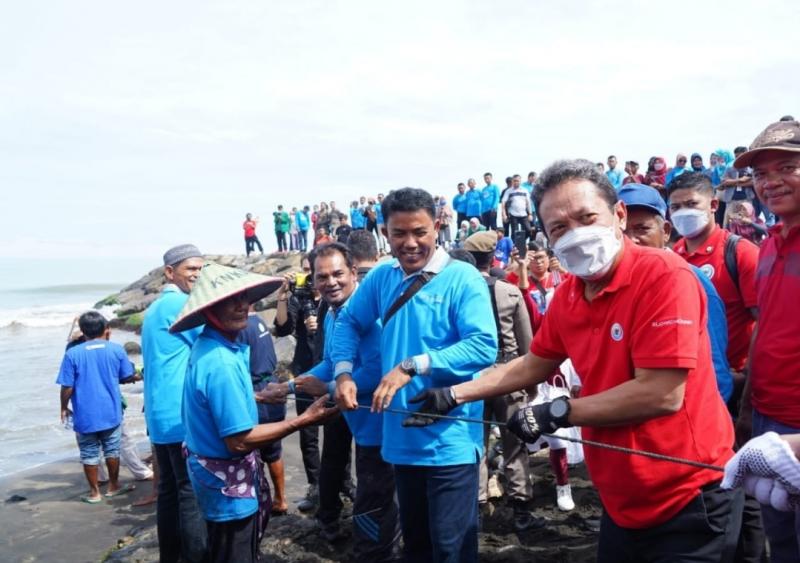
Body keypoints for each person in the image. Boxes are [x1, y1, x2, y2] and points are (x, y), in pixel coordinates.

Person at [407, 159, 740, 563]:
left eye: (586, 218)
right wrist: (453, 394)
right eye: (559, 228)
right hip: (620, 502)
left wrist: (558, 412)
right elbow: (535, 363)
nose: (576, 235)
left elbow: (661, 393)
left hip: (688, 497)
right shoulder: (570, 294)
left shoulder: (665, 277)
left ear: (618, 215)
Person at [331, 187, 497, 562]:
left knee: (452, 550)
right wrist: (343, 373)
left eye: (419, 232)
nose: (410, 243)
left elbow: (483, 346)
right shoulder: (381, 278)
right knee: (416, 548)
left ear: (437, 227)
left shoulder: (462, 279)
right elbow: (347, 323)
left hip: (449, 443)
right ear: (384, 234)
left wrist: (412, 365)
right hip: (399, 442)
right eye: (399, 234)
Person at [172, 262, 337, 563]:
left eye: (243, 297)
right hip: (227, 489)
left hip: (214, 480)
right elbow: (239, 441)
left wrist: (257, 394)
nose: (241, 306)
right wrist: (304, 420)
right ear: (209, 309)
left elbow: (213, 402)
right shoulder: (220, 362)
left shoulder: (213, 345)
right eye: (228, 301)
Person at [292, 241, 402, 560]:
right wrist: (289, 386)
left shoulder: (370, 313)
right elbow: (330, 362)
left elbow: (379, 369)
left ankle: (378, 555)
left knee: (375, 506)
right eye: (322, 277)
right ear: (313, 280)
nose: (331, 282)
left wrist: (327, 388)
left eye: (338, 274)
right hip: (361, 428)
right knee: (372, 505)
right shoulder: (332, 312)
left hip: (383, 428)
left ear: (354, 272)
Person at [732, 119, 800, 561]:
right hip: (768, 422)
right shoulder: (771, 244)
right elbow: (767, 327)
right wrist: (747, 408)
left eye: (786, 167)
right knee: (783, 545)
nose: (770, 182)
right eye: (760, 173)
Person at [619, 183, 734, 404]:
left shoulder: (690, 280)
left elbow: (716, 370)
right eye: (622, 232)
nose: (630, 239)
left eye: (642, 229)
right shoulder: (614, 286)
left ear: (666, 232)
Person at [462, 231, 539, 529]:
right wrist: (531, 384)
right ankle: (521, 511)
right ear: (494, 256)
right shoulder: (510, 291)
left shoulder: (463, 291)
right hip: (509, 376)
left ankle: (478, 506)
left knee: (475, 443)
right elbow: (527, 342)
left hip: (473, 378)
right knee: (515, 442)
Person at [668, 172, 759, 412]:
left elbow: (765, 323)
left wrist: (747, 384)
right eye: (675, 207)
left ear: (713, 205)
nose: (683, 212)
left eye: (691, 204)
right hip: (689, 384)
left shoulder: (740, 253)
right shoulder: (671, 256)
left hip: (734, 384)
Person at [141, 244, 208, 563]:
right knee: (188, 492)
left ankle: (171, 557)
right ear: (170, 272)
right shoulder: (181, 304)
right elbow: (211, 342)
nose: (197, 274)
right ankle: (195, 557)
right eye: (189, 269)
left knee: (168, 491)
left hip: (158, 413)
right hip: (180, 413)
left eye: (200, 268)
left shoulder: (154, 308)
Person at [57, 311, 138, 504]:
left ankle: (94, 493)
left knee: (88, 452)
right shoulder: (116, 349)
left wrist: (63, 407)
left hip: (85, 414)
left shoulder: (72, 353)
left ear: (82, 331)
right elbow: (126, 376)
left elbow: (67, 386)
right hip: (110, 411)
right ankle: (113, 486)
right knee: (112, 450)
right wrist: (138, 376)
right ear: (105, 329)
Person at [273, 254, 323, 512]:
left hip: (330, 371)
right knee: (308, 432)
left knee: (339, 431)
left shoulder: (332, 294)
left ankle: (343, 484)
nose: (310, 276)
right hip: (304, 369)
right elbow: (282, 329)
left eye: (313, 271)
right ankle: (315, 485)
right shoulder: (299, 297)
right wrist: (282, 296)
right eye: (305, 271)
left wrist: (322, 323)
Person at [239, 307, 288, 516]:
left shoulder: (241, 328)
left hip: (258, 389)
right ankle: (280, 498)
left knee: (254, 449)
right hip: (273, 384)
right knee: (274, 450)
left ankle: (264, 499)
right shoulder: (258, 321)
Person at [502, 174, 533, 241]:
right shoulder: (508, 191)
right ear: (512, 181)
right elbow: (503, 203)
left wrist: (530, 214)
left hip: (523, 214)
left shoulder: (525, 190)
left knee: (529, 230)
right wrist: (504, 215)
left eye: (517, 181)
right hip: (513, 214)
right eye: (514, 181)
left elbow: (528, 203)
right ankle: (514, 247)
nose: (516, 182)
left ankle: (520, 241)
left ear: (520, 181)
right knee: (514, 232)